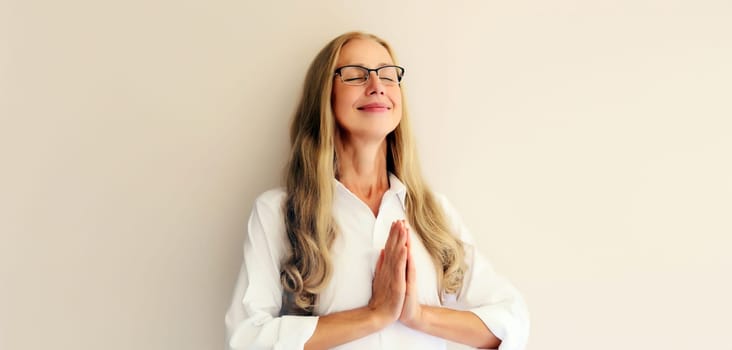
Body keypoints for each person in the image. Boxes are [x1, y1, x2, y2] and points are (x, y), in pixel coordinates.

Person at [225, 31, 529, 350]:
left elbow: (512, 321)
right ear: (323, 95)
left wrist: (418, 316)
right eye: (355, 75)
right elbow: (246, 339)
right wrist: (373, 316)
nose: (377, 86)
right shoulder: (278, 213)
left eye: (387, 74)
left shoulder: (434, 214)